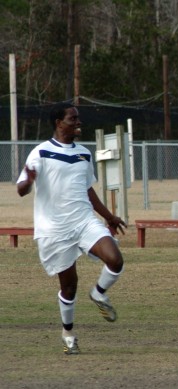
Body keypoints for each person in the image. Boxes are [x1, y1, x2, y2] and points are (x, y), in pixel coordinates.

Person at [17, 102, 126, 355]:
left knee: (115, 259)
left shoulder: (84, 153)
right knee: (69, 286)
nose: (78, 122)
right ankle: (68, 335)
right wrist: (30, 181)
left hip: (84, 222)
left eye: (78, 118)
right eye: (73, 118)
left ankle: (99, 294)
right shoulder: (40, 153)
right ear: (59, 122)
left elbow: (88, 189)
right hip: (54, 230)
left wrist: (109, 217)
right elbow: (21, 188)